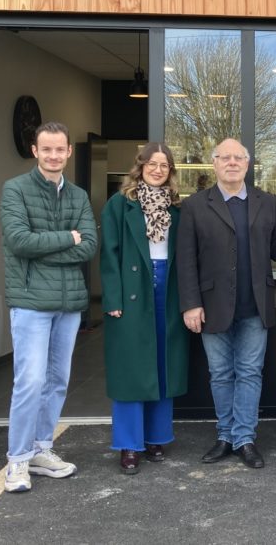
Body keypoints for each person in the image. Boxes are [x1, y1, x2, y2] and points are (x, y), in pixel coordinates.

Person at [177, 139, 276, 469]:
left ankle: (244, 438)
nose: (231, 162)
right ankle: (225, 435)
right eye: (224, 158)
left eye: (238, 158)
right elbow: (185, 260)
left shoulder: (266, 202)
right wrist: (190, 304)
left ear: (247, 164)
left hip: (255, 305)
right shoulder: (196, 206)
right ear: (214, 164)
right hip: (212, 306)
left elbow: (275, 244)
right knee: (220, 374)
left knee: (249, 373)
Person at [0, 122, 98, 493]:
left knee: (57, 381)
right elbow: (20, 241)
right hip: (30, 304)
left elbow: (88, 246)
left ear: (69, 152)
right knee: (30, 382)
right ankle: (18, 461)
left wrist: (51, 249)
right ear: (34, 151)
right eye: (47, 149)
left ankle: (42, 450)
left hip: (69, 304)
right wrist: (66, 241)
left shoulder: (78, 195)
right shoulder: (15, 190)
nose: (54, 156)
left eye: (60, 150)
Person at [100, 143, 189, 475]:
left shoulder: (178, 208)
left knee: (163, 365)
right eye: (152, 164)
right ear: (140, 167)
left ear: (171, 172)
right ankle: (129, 444)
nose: (158, 170)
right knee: (131, 369)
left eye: (164, 165)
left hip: (169, 287)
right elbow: (109, 255)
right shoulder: (119, 205)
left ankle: (156, 437)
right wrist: (112, 300)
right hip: (132, 290)